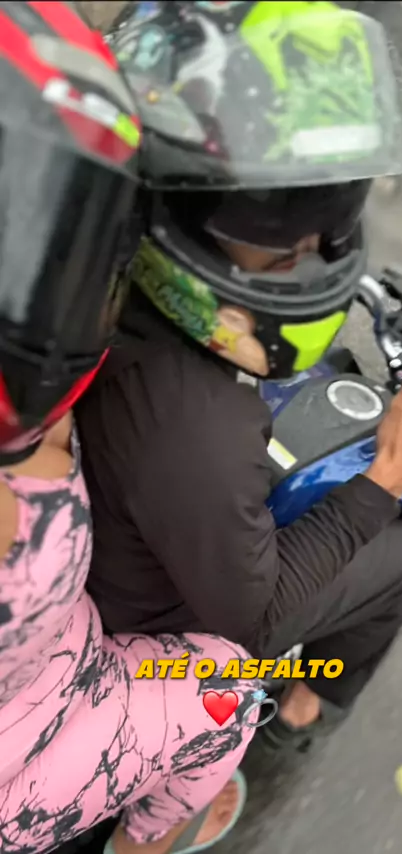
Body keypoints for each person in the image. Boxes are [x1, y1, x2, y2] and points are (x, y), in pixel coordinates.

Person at [75, 0, 402, 754]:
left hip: (122, 535)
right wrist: (389, 472)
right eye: (273, 222)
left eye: (326, 207)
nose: (311, 246)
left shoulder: (89, 275)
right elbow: (250, 616)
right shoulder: (196, 420)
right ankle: (303, 709)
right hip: (148, 629)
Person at [0, 5, 259, 853]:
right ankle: (146, 837)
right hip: (27, 741)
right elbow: (247, 603)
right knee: (229, 689)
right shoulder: (26, 461)